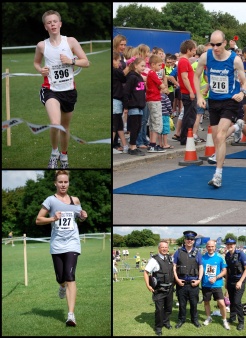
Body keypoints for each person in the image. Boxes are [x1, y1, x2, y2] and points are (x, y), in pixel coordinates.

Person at [34, 10, 90, 169]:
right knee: (55, 123)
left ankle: (64, 155)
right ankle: (54, 153)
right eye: (49, 22)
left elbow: (86, 62)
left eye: (54, 21)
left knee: (65, 127)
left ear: (60, 24)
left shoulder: (71, 41)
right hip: (50, 89)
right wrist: (40, 70)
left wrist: (71, 61)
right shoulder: (41, 45)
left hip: (69, 91)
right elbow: (37, 63)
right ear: (46, 27)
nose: (52, 24)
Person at [194, 30, 246, 188]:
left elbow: (244, 82)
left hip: (230, 101)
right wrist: (199, 96)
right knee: (218, 138)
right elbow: (196, 76)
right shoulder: (206, 57)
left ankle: (218, 175)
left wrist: (242, 92)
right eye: (212, 44)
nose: (215, 47)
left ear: (225, 43)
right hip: (214, 101)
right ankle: (238, 127)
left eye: (218, 44)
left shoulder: (235, 60)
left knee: (221, 134)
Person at [36, 170, 88, 327]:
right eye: (60, 182)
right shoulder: (50, 200)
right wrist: (53, 218)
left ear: (69, 183)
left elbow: (79, 216)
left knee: (70, 276)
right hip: (57, 245)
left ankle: (71, 315)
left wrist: (83, 216)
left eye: (65, 182)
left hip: (72, 243)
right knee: (61, 278)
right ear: (55, 183)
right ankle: (61, 285)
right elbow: (38, 220)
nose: (63, 184)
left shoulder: (75, 200)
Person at [143, 240, 175, 336]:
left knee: (168, 308)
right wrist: (148, 285)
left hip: (169, 289)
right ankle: (158, 327)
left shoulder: (170, 258)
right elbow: (146, 272)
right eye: (162, 247)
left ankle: (166, 322)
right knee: (159, 310)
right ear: (159, 248)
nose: (164, 249)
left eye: (166, 247)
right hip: (159, 290)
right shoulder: (154, 260)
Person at [173, 230, 203, 328]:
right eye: (187, 239)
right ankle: (181, 320)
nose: (189, 241)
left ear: (194, 241)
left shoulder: (197, 252)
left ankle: (195, 320)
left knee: (194, 304)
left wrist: (199, 280)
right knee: (182, 304)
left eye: (191, 239)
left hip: (193, 283)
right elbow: (174, 266)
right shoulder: (178, 252)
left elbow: (201, 267)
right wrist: (177, 279)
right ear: (184, 240)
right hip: (181, 283)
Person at [201, 240, 230, 330]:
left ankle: (224, 320)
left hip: (217, 285)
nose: (210, 248)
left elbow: (224, 271)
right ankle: (209, 317)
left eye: (212, 246)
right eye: (209, 246)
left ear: (215, 247)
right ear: (206, 247)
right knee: (206, 302)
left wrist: (216, 278)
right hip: (205, 284)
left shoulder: (220, 257)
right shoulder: (202, 258)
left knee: (221, 303)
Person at [224, 237, 246, 331]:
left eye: (231, 244)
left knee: (237, 301)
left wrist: (240, 281)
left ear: (234, 245)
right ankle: (232, 317)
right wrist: (226, 282)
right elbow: (227, 270)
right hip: (230, 281)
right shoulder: (227, 255)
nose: (229, 246)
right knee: (231, 300)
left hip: (240, 281)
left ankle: (241, 322)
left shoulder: (240, 254)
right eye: (228, 244)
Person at [123, 57, 147, 156]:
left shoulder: (140, 77)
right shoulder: (132, 77)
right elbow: (126, 92)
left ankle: (134, 145)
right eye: (141, 66)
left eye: (144, 66)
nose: (143, 68)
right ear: (135, 65)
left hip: (140, 105)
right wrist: (126, 106)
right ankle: (132, 147)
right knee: (134, 126)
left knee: (138, 127)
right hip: (133, 105)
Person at [177, 40, 198, 146]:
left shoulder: (184, 61)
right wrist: (191, 91)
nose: (195, 50)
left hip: (189, 92)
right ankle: (185, 138)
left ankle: (185, 137)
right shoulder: (184, 61)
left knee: (189, 115)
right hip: (188, 92)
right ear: (188, 49)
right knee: (189, 116)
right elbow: (185, 78)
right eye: (193, 49)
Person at [146, 54, 167, 153]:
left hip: (151, 99)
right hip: (154, 99)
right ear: (153, 64)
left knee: (152, 122)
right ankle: (153, 145)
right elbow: (162, 86)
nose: (161, 67)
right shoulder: (152, 73)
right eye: (159, 65)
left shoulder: (150, 73)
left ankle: (151, 143)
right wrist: (164, 86)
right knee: (157, 122)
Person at [113, 51, 129, 154]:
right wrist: (131, 65)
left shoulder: (116, 70)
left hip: (118, 101)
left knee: (119, 125)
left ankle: (125, 145)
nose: (119, 63)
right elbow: (123, 75)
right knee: (114, 125)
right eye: (118, 61)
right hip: (115, 101)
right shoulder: (115, 71)